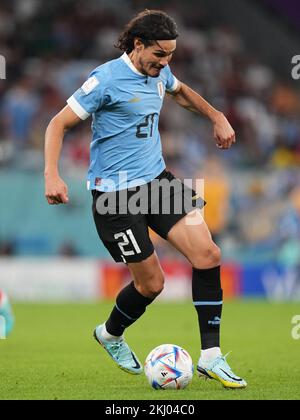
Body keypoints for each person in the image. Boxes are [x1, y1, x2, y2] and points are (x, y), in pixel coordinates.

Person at [44, 10, 246, 389]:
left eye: (170, 55)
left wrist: (217, 116)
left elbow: (181, 91)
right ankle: (110, 333)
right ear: (138, 45)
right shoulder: (104, 80)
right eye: (159, 55)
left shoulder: (160, 72)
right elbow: (58, 123)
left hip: (157, 182)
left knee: (209, 255)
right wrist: (51, 174)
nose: (165, 63)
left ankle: (211, 357)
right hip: (115, 196)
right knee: (152, 285)